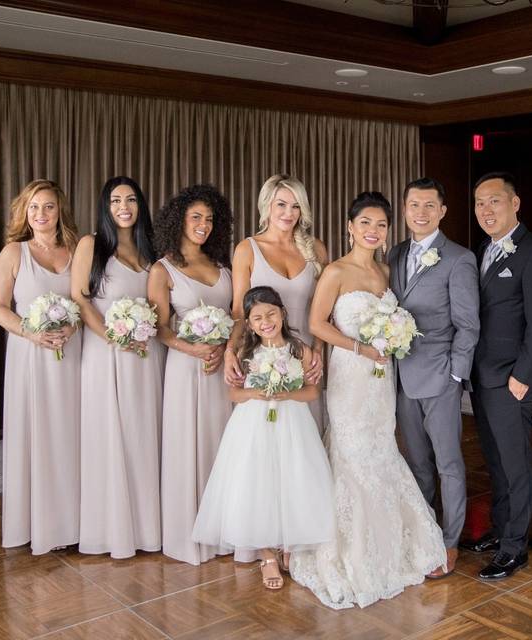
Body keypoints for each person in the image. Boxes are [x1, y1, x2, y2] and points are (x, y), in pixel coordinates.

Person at [290, 191, 446, 609]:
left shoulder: (385, 272)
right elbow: (316, 324)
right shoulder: (336, 272)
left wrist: (394, 339)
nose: (373, 231)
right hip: (352, 375)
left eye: (380, 225)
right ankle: (355, 555)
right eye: (365, 224)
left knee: (382, 451)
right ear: (349, 226)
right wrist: (361, 348)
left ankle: (402, 548)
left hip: (382, 378)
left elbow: (395, 322)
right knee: (353, 453)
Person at [193, 286, 334, 590]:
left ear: (282, 313)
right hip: (253, 425)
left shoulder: (300, 350)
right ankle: (265, 553)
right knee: (258, 481)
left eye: (271, 313)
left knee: (291, 478)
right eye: (257, 318)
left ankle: (287, 543)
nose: (265, 321)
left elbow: (311, 392)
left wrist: (286, 393)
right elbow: (234, 393)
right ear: (249, 324)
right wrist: (257, 392)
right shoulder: (246, 352)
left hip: (293, 423)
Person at [465, 172, 532, 580]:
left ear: (515, 203)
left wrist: (524, 375)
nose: (487, 210)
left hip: (511, 380)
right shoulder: (484, 249)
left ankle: (514, 548)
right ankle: (501, 530)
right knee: (497, 462)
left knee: (516, 463)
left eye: (495, 201)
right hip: (482, 378)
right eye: (480, 203)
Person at [387, 177, 479, 579]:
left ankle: (449, 541)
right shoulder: (393, 254)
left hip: (440, 376)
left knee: (449, 465)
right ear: (404, 210)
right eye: (413, 205)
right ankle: (424, 533)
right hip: (400, 377)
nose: (420, 213)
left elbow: (468, 325)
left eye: (429, 206)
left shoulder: (459, 258)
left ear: (442, 211)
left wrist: (455, 375)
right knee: (416, 464)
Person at [0, 179, 81, 554]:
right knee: (39, 435)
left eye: (49, 207)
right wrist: (30, 332)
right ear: (24, 213)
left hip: (73, 354)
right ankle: (40, 523)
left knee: (72, 436)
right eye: (35, 208)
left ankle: (75, 521)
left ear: (60, 212)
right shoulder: (14, 252)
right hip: (31, 357)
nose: (41, 215)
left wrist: (73, 325)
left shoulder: (76, 250)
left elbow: (84, 300)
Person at [72, 176, 163, 559]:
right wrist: (113, 338)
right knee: (110, 435)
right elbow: (80, 298)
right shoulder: (91, 245)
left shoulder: (152, 250)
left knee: (145, 435)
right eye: (115, 200)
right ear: (105, 207)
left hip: (146, 354)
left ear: (140, 205)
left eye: (130, 200)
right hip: (105, 354)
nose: (123, 207)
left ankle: (148, 528)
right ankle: (110, 530)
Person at [147, 184, 234, 565]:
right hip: (185, 370)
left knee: (223, 446)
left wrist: (225, 348)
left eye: (210, 219)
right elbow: (161, 328)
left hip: (222, 369)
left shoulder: (223, 268)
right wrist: (193, 348)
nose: (203, 225)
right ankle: (190, 535)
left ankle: (227, 531)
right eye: (196, 217)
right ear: (178, 220)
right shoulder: (162, 269)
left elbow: (237, 318)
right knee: (188, 447)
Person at [224, 175, 327, 428]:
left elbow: (323, 309)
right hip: (262, 352)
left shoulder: (316, 249)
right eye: (281, 204)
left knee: (305, 428)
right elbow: (239, 310)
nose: (289, 213)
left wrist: (318, 352)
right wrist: (230, 352)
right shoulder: (247, 249)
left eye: (296, 206)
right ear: (266, 206)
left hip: (305, 354)